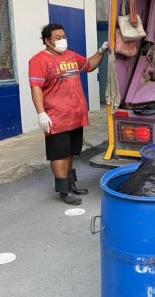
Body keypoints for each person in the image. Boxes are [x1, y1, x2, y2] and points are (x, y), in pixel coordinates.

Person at [29, 23, 108, 205]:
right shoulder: (38, 61)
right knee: (59, 154)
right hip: (56, 117)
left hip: (75, 115)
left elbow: (89, 65)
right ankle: (64, 190)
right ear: (48, 41)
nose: (62, 40)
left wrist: (101, 51)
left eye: (63, 36)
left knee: (70, 152)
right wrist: (41, 113)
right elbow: (36, 88)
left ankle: (71, 184)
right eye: (58, 38)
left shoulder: (71, 56)